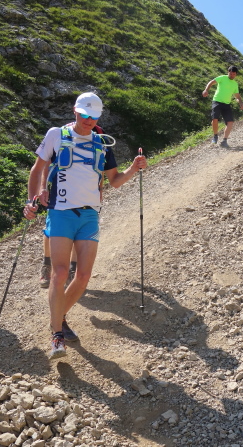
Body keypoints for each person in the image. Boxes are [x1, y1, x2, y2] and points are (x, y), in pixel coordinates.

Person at [23, 92, 147, 359]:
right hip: (61, 213)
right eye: (85, 115)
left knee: (82, 277)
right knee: (59, 273)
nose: (89, 120)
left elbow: (115, 180)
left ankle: (58, 317)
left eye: (94, 116)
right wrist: (32, 199)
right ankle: (57, 335)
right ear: (75, 111)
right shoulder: (56, 134)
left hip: (89, 215)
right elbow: (37, 169)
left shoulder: (102, 143)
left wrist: (134, 168)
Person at [39, 124, 106, 289]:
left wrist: (100, 189)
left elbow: (99, 168)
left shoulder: (98, 134)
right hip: (60, 196)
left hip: (85, 199)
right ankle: (47, 264)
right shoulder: (63, 133)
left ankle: (73, 269)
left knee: (79, 232)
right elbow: (46, 163)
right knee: (50, 230)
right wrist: (43, 187)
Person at [202, 66, 243, 149]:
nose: (232, 75)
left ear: (236, 74)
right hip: (217, 101)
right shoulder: (222, 78)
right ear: (228, 72)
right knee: (214, 119)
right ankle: (215, 136)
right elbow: (211, 82)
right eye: (230, 73)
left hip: (226, 104)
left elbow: (237, 95)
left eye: (234, 74)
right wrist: (206, 90)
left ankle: (224, 141)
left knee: (230, 122)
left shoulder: (235, 84)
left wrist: (240, 102)